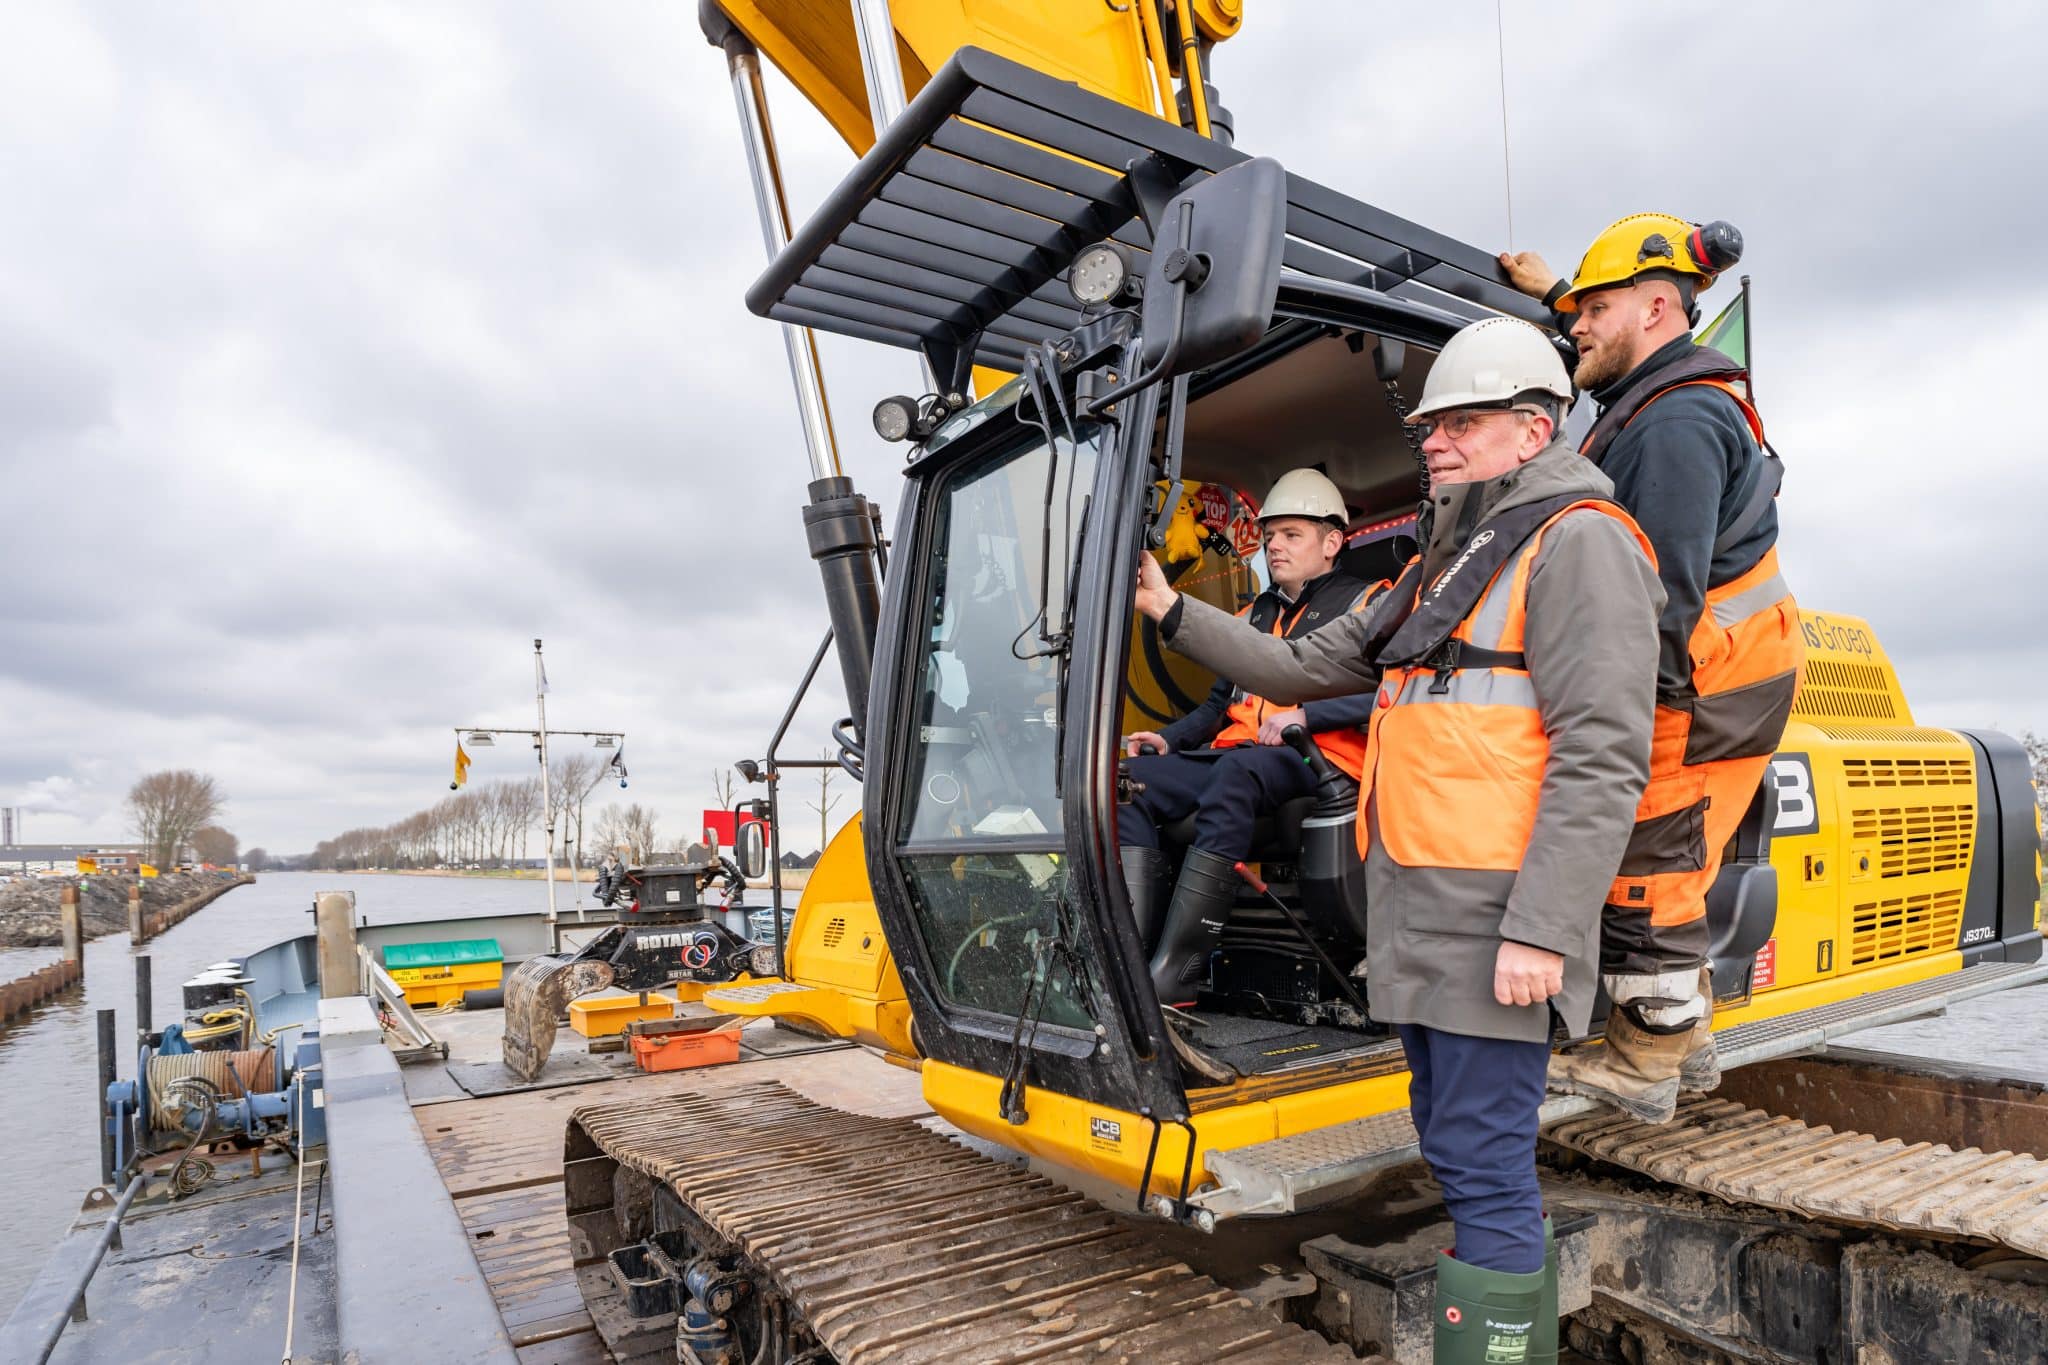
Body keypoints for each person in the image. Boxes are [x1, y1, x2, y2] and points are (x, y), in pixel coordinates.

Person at [1135, 317, 1662, 1363]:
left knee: (1482, 1165)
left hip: (1492, 920)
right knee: (1452, 1149)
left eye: (1460, 423)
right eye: (1429, 424)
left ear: (1529, 428)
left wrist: (1543, 931)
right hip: (1421, 913)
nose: (1433, 441)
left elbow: (1601, 753)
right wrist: (1168, 611)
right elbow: (1299, 666)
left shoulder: (1578, 543)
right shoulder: (1444, 566)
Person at [1500, 215, 1803, 1122]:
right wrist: (1556, 292)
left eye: (1593, 308)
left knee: (1647, 853)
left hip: (1702, 668)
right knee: (1666, 848)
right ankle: (1686, 1037)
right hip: (1731, 658)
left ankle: (1644, 1060)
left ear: (1657, 306)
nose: (1577, 325)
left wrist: (1610, 721)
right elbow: (1602, 342)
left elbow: (1658, 597)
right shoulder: (1657, 391)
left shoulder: (1675, 424)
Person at [1121, 468, 1381, 1006]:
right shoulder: (1250, 614)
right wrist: (1168, 740)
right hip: (1242, 755)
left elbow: (1389, 695)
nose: (1274, 547)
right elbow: (1220, 706)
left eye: (1292, 535)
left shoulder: (1369, 605)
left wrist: (1308, 716)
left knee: (1237, 774)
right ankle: (1133, 953)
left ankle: (1180, 968)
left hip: (1321, 757)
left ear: (1332, 542)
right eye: (1269, 537)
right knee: (1128, 782)